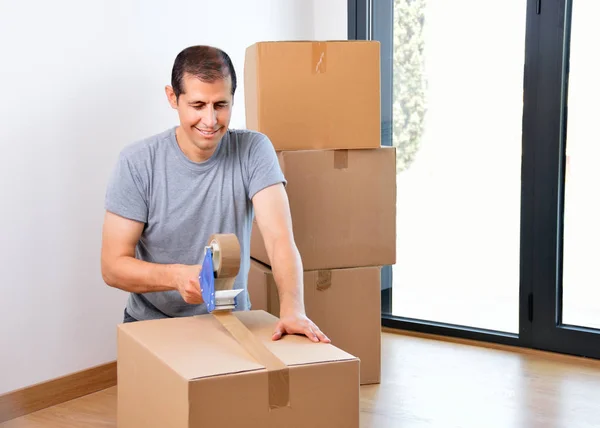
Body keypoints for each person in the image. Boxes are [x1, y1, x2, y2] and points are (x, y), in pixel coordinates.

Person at [100, 45, 330, 343]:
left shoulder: (254, 151)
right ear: (173, 98)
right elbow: (112, 266)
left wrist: (293, 309)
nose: (210, 121)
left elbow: (279, 240)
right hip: (152, 324)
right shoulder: (137, 162)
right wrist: (176, 277)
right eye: (197, 105)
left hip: (230, 323)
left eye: (221, 105)